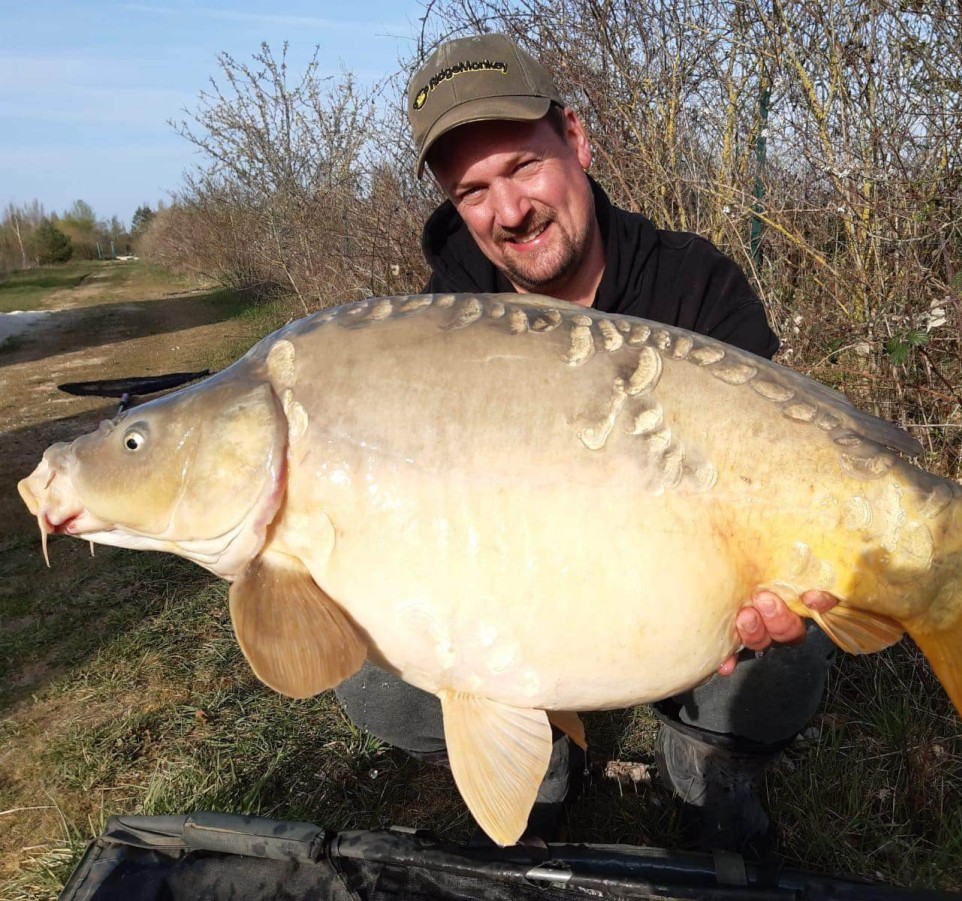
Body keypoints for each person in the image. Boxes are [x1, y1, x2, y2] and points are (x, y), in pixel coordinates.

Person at [335, 32, 839, 855]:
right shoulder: (430, 331)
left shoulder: (693, 282)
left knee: (792, 638)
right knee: (366, 661)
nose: (509, 212)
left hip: (678, 595)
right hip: (521, 595)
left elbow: (769, 467)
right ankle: (540, 770)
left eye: (524, 167)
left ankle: (703, 758)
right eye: (472, 190)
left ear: (574, 138)